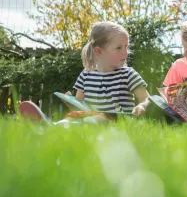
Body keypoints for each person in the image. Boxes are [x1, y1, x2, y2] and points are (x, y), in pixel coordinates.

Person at [19, 21, 150, 125]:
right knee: (72, 118)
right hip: (90, 117)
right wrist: (71, 103)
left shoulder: (128, 74)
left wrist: (142, 106)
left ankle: (64, 128)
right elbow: (80, 107)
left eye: (126, 46)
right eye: (119, 48)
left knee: (99, 119)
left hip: (117, 120)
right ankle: (53, 126)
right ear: (99, 51)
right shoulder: (86, 75)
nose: (125, 52)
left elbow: (146, 98)